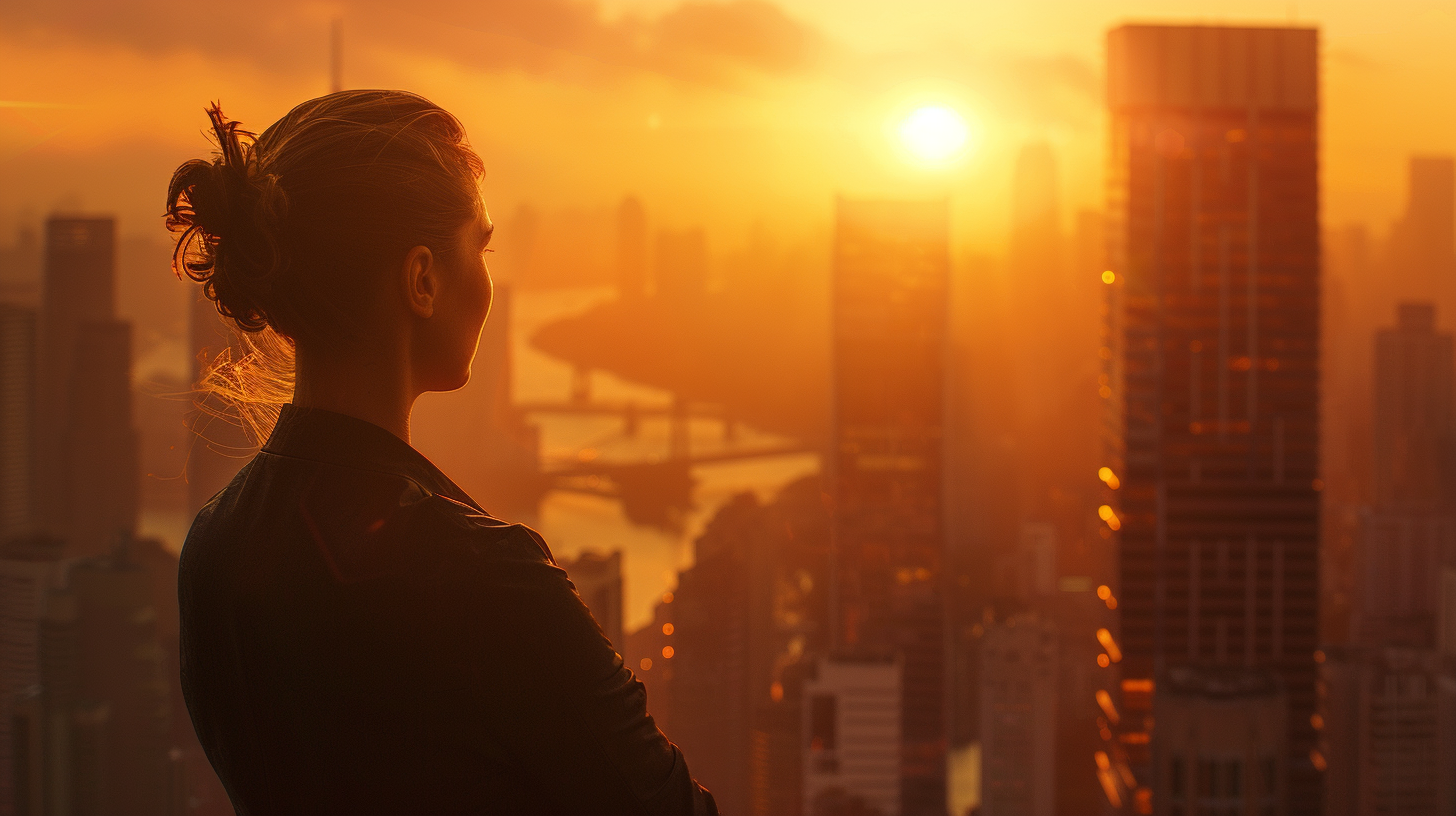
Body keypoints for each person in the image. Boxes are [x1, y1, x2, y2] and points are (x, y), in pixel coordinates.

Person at [167, 90, 716, 816]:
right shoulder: (493, 585)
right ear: (422, 278)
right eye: (481, 247)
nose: (488, 278)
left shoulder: (215, 548)